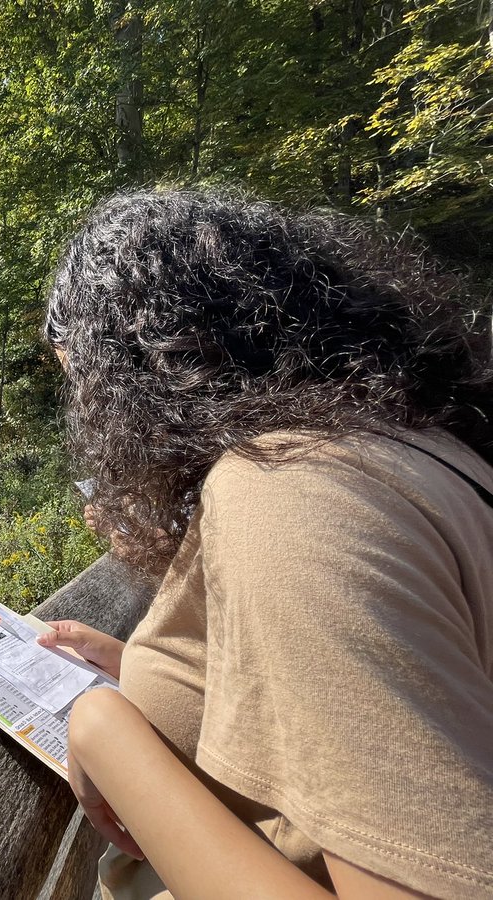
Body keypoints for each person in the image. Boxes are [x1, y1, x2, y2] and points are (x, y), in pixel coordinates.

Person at [36, 189, 493, 899]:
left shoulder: (287, 494)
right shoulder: (411, 451)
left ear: (133, 376)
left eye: (84, 387)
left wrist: (103, 728)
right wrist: (153, 671)